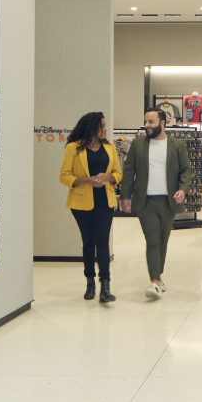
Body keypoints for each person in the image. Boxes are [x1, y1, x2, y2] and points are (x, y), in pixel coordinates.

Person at [120, 108, 190, 300]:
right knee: (152, 241)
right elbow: (128, 171)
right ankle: (153, 281)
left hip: (168, 202)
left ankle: (158, 277)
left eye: (151, 122)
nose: (147, 125)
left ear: (163, 123)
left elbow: (185, 170)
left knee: (163, 241)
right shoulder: (137, 144)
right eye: (146, 122)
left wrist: (183, 189)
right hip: (146, 201)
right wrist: (125, 196)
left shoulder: (177, 145)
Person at [59, 112, 122, 304]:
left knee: (102, 241)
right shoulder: (74, 148)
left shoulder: (110, 148)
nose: (105, 129)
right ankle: (90, 283)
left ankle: (105, 286)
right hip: (81, 203)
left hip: (106, 200)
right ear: (91, 128)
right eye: (101, 126)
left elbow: (118, 173)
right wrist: (87, 181)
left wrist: (108, 177)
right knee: (88, 242)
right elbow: (64, 176)